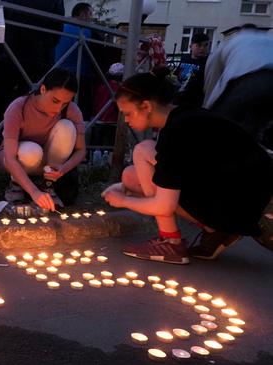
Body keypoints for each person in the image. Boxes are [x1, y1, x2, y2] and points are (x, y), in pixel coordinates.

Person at [103, 68, 273, 264]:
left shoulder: (177, 132)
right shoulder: (185, 115)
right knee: (131, 176)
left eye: (128, 113)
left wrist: (122, 200)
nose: (126, 120)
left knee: (142, 150)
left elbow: (164, 204)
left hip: (260, 212)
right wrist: (124, 188)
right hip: (245, 196)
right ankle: (218, 231)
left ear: (146, 106)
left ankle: (171, 241)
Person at [0, 68, 85, 211]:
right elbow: (10, 157)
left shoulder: (71, 110)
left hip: (47, 164)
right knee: (31, 151)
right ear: (43, 89)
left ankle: (48, 185)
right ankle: (16, 185)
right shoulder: (18, 108)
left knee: (67, 127)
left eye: (64, 103)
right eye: (55, 100)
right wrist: (34, 192)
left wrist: (63, 169)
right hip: (19, 160)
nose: (58, 109)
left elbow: (81, 150)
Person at [0, 0, 64, 138]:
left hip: (9, 50)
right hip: (37, 54)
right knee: (28, 103)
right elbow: (57, 28)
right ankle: (21, 144)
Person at [203, 27, 273, 149]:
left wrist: (206, 112)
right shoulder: (269, 40)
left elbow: (211, 81)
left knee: (217, 126)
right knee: (257, 128)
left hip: (247, 82)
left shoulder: (228, 43)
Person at [54, 2, 94, 118]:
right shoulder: (85, 31)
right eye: (90, 14)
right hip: (78, 75)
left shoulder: (61, 26)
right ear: (83, 14)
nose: (91, 18)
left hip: (56, 73)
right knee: (80, 111)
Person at [174, 32, 209, 107]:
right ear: (191, 46)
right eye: (198, 45)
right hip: (179, 98)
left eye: (205, 45)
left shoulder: (208, 62)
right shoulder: (185, 58)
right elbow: (176, 75)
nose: (202, 48)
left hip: (195, 102)